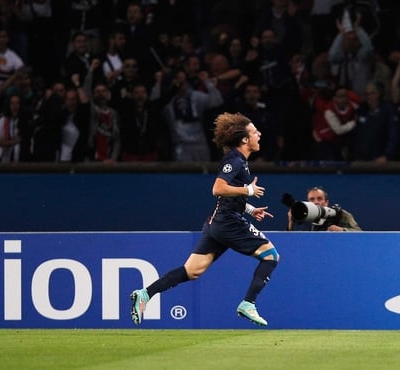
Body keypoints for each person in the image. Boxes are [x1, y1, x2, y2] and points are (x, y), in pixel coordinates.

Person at [130, 112, 278, 326]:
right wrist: (248, 190)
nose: (260, 134)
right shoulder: (235, 160)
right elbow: (218, 188)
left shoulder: (239, 161)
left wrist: (250, 209)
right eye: (255, 132)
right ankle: (248, 303)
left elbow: (228, 196)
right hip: (229, 223)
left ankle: (145, 294)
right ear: (245, 139)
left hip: (217, 224)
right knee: (271, 256)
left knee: (192, 271)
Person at [286, 186, 362, 232]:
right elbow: (293, 242)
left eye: (319, 199)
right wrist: (291, 223)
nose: (316, 202)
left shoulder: (340, 214)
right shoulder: (304, 218)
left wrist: (342, 230)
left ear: (326, 202)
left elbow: (360, 233)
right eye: (312, 199)